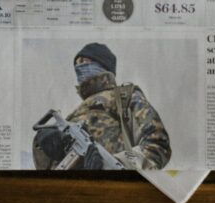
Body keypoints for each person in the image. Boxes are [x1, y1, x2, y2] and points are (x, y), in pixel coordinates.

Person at [32, 43, 171, 170]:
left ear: (102, 64)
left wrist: (109, 165)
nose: (80, 67)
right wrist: (43, 145)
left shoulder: (125, 97)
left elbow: (157, 146)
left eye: (85, 62)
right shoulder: (74, 116)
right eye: (77, 64)